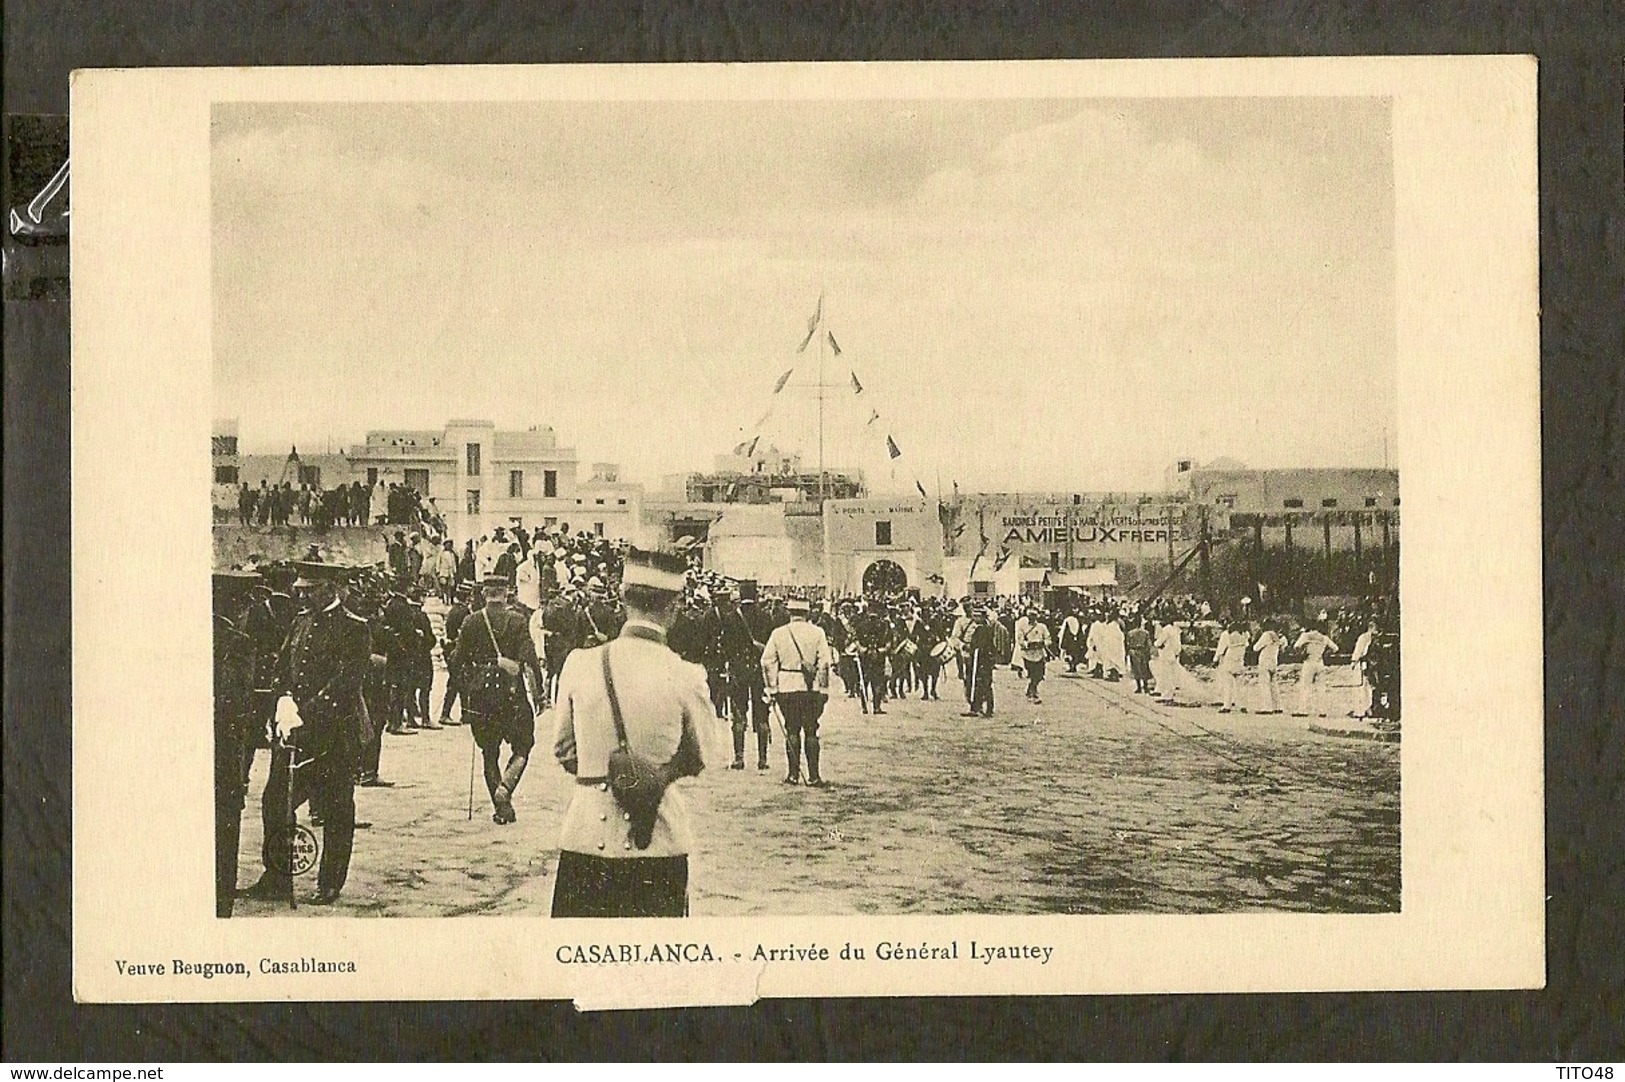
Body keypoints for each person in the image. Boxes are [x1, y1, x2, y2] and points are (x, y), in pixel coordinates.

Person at [550, 549, 717, 917]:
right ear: (674, 607)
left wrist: (604, 770)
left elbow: (563, 749)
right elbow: (701, 756)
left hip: (586, 834)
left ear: (623, 598)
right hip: (657, 837)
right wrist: (652, 777)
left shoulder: (580, 663)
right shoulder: (687, 675)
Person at [248, 561, 369, 906]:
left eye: (311, 589)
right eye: (301, 589)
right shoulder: (300, 622)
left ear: (331, 588)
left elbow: (346, 682)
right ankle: (276, 876)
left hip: (334, 734)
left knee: (336, 808)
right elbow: (284, 666)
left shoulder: (354, 628)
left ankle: (330, 882)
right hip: (294, 734)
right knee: (275, 801)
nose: (303, 594)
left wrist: (306, 711)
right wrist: (283, 698)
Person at [451, 574, 544, 824]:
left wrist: (466, 693)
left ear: (484, 593)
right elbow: (530, 659)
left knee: (488, 753)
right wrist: (540, 693)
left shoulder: (471, 621)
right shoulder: (517, 620)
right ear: (506, 593)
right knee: (524, 745)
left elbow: (457, 661)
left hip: (482, 699)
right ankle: (507, 787)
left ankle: (500, 807)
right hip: (513, 696)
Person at [761, 597, 834, 785]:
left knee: (791, 728)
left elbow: (767, 661)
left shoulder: (779, 633)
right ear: (807, 613)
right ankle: (814, 776)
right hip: (811, 688)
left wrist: (772, 688)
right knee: (811, 730)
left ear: (789, 613)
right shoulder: (817, 632)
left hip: (787, 687)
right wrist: (823, 688)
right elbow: (825, 662)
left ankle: (793, 775)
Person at [1293, 620, 1339, 718]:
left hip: (1309, 662)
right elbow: (1335, 648)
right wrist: (1326, 653)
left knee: (1306, 686)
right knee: (1321, 687)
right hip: (1320, 662)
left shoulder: (1306, 636)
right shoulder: (1324, 638)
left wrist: (1303, 651)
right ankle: (1322, 710)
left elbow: (1296, 646)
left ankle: (1303, 709)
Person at [961, 608, 997, 718]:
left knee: (984, 683)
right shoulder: (982, 628)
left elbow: (980, 646)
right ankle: (976, 707)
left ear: (983, 617)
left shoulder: (983, 629)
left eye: (978, 616)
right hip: (979, 659)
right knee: (977, 683)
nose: (975, 618)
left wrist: (969, 647)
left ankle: (988, 709)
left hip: (982, 660)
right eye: (974, 615)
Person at [1212, 619, 1248, 713]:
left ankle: (1227, 706)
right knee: (1239, 685)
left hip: (1229, 661)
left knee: (1228, 685)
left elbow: (1221, 649)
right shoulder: (1244, 635)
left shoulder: (1226, 635)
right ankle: (1242, 705)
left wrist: (1215, 659)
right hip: (1240, 662)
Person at [1019, 609, 1052, 704]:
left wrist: (1043, 643)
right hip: (1028, 654)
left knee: (1040, 675)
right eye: (1030, 616)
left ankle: (1032, 688)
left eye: (1034, 616)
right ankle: (1033, 692)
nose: (1032, 618)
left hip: (1039, 654)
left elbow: (1048, 638)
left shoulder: (1042, 627)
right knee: (1032, 673)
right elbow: (1020, 639)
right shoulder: (1023, 627)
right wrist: (1027, 644)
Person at [1253, 621, 1284, 714]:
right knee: (1273, 685)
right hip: (1274, 662)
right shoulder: (1278, 637)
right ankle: (1277, 707)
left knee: (1264, 685)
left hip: (1264, 662)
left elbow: (1256, 648)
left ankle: (1266, 707)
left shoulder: (1266, 635)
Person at [1349, 619, 1378, 718]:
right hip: (1371, 664)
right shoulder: (1373, 637)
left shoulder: (1364, 637)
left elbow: (1359, 650)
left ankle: (1360, 711)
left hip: (1364, 664)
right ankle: (1368, 709)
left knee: (1361, 688)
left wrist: (1354, 661)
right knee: (1368, 687)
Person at [1125, 618, 1154, 694]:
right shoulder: (1145, 633)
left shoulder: (1130, 633)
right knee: (1144, 669)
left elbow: (1128, 643)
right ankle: (1145, 686)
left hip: (1134, 651)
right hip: (1143, 651)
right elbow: (1148, 644)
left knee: (1136, 669)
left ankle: (1138, 687)